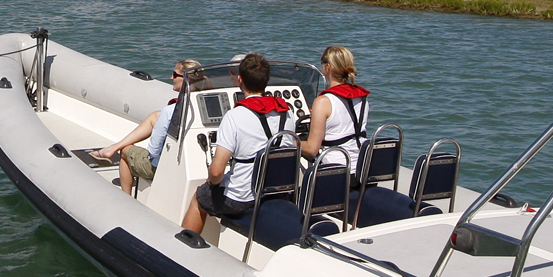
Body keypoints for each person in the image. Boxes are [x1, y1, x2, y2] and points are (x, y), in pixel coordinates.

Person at [183, 52, 296, 234]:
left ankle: (185, 245)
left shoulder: (235, 116)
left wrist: (211, 183)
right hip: (277, 192)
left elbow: (217, 170)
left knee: (200, 197)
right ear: (266, 80)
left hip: (241, 198)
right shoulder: (286, 112)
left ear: (240, 80)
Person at [93, 60, 202, 193]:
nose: (171, 78)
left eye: (175, 74)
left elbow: (153, 151)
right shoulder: (201, 107)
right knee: (155, 116)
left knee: (126, 151)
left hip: (162, 167)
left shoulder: (171, 111)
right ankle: (112, 148)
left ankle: (125, 198)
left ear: (186, 79)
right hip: (195, 165)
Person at [299, 44, 370, 180]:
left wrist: (291, 142)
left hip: (335, 174)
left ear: (328, 67)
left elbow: (312, 149)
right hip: (361, 170)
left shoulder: (323, 102)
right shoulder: (362, 98)